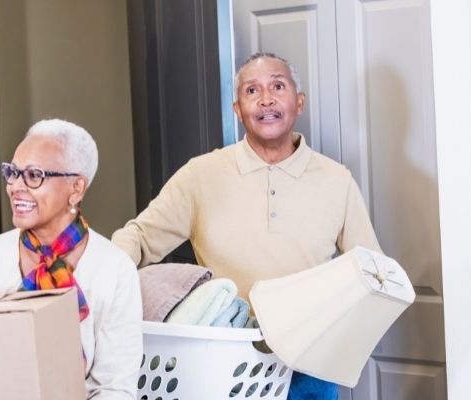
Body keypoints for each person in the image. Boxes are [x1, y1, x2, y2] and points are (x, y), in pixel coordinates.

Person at [112, 52, 381, 400]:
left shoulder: (336, 180)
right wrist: (103, 278)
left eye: (277, 86)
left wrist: (343, 336)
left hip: (309, 366)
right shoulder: (200, 174)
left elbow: (370, 268)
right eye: (252, 90)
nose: (266, 99)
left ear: (299, 103)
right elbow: (141, 236)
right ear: (238, 109)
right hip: (226, 362)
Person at [0, 119, 142, 399]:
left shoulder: (114, 270)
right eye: (13, 172)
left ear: (76, 188)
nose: (15, 186)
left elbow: (115, 388)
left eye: (34, 175)